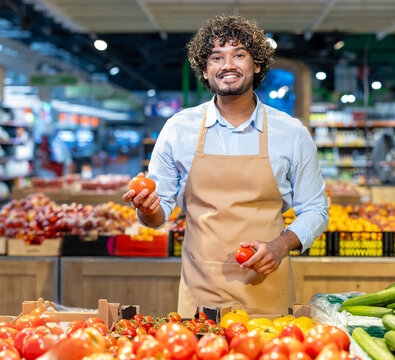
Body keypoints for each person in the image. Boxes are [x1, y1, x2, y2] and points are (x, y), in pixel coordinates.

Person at [123, 15, 329, 317]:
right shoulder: (179, 129)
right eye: (216, 57)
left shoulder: (292, 133)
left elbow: (315, 209)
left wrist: (281, 245)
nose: (228, 65)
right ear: (205, 70)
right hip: (201, 297)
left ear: (256, 64)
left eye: (239, 55)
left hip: (268, 292)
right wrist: (146, 206)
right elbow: (158, 213)